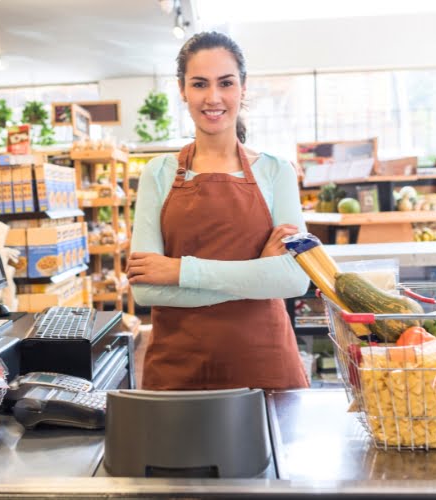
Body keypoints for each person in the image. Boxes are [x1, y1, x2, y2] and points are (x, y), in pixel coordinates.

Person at [127, 31, 310, 391]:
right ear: (182, 90)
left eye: (225, 83)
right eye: (199, 84)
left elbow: (294, 280)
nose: (213, 98)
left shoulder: (276, 171)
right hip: (179, 368)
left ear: (243, 86)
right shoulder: (158, 173)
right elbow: (146, 290)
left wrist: (179, 270)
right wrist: (258, 275)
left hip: (264, 363)